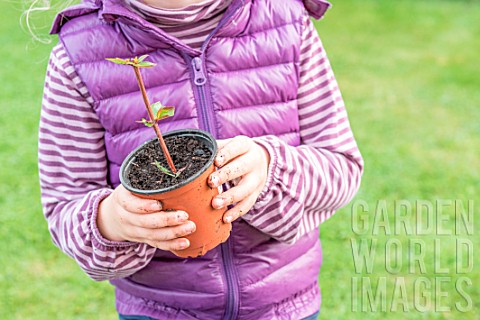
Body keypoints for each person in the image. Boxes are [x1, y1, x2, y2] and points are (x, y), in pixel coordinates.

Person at [37, 0, 364, 318]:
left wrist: (271, 169)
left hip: (283, 306)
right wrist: (113, 220)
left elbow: (342, 166)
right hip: (158, 310)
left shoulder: (286, 21)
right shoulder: (79, 54)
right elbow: (64, 206)